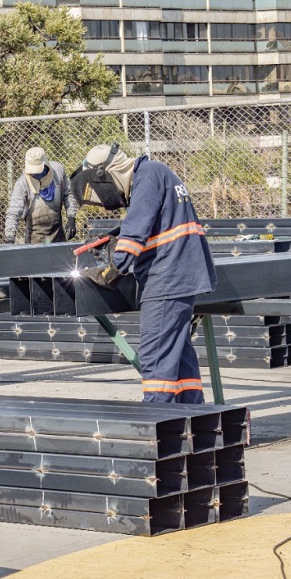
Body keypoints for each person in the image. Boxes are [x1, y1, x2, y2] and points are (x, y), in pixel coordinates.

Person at [71, 143, 217, 404]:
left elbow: (136, 231)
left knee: (155, 356)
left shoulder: (146, 177)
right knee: (178, 355)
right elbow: (151, 223)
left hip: (167, 279)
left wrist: (111, 270)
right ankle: (194, 416)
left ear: (106, 174)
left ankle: (156, 418)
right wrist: (113, 236)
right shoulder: (155, 172)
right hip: (179, 275)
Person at [4, 147, 79, 245]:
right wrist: (10, 238)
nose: (35, 174)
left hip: (58, 235)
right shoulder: (22, 183)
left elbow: (68, 193)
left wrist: (71, 217)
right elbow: (14, 211)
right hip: (34, 239)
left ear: (45, 164)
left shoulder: (58, 171)